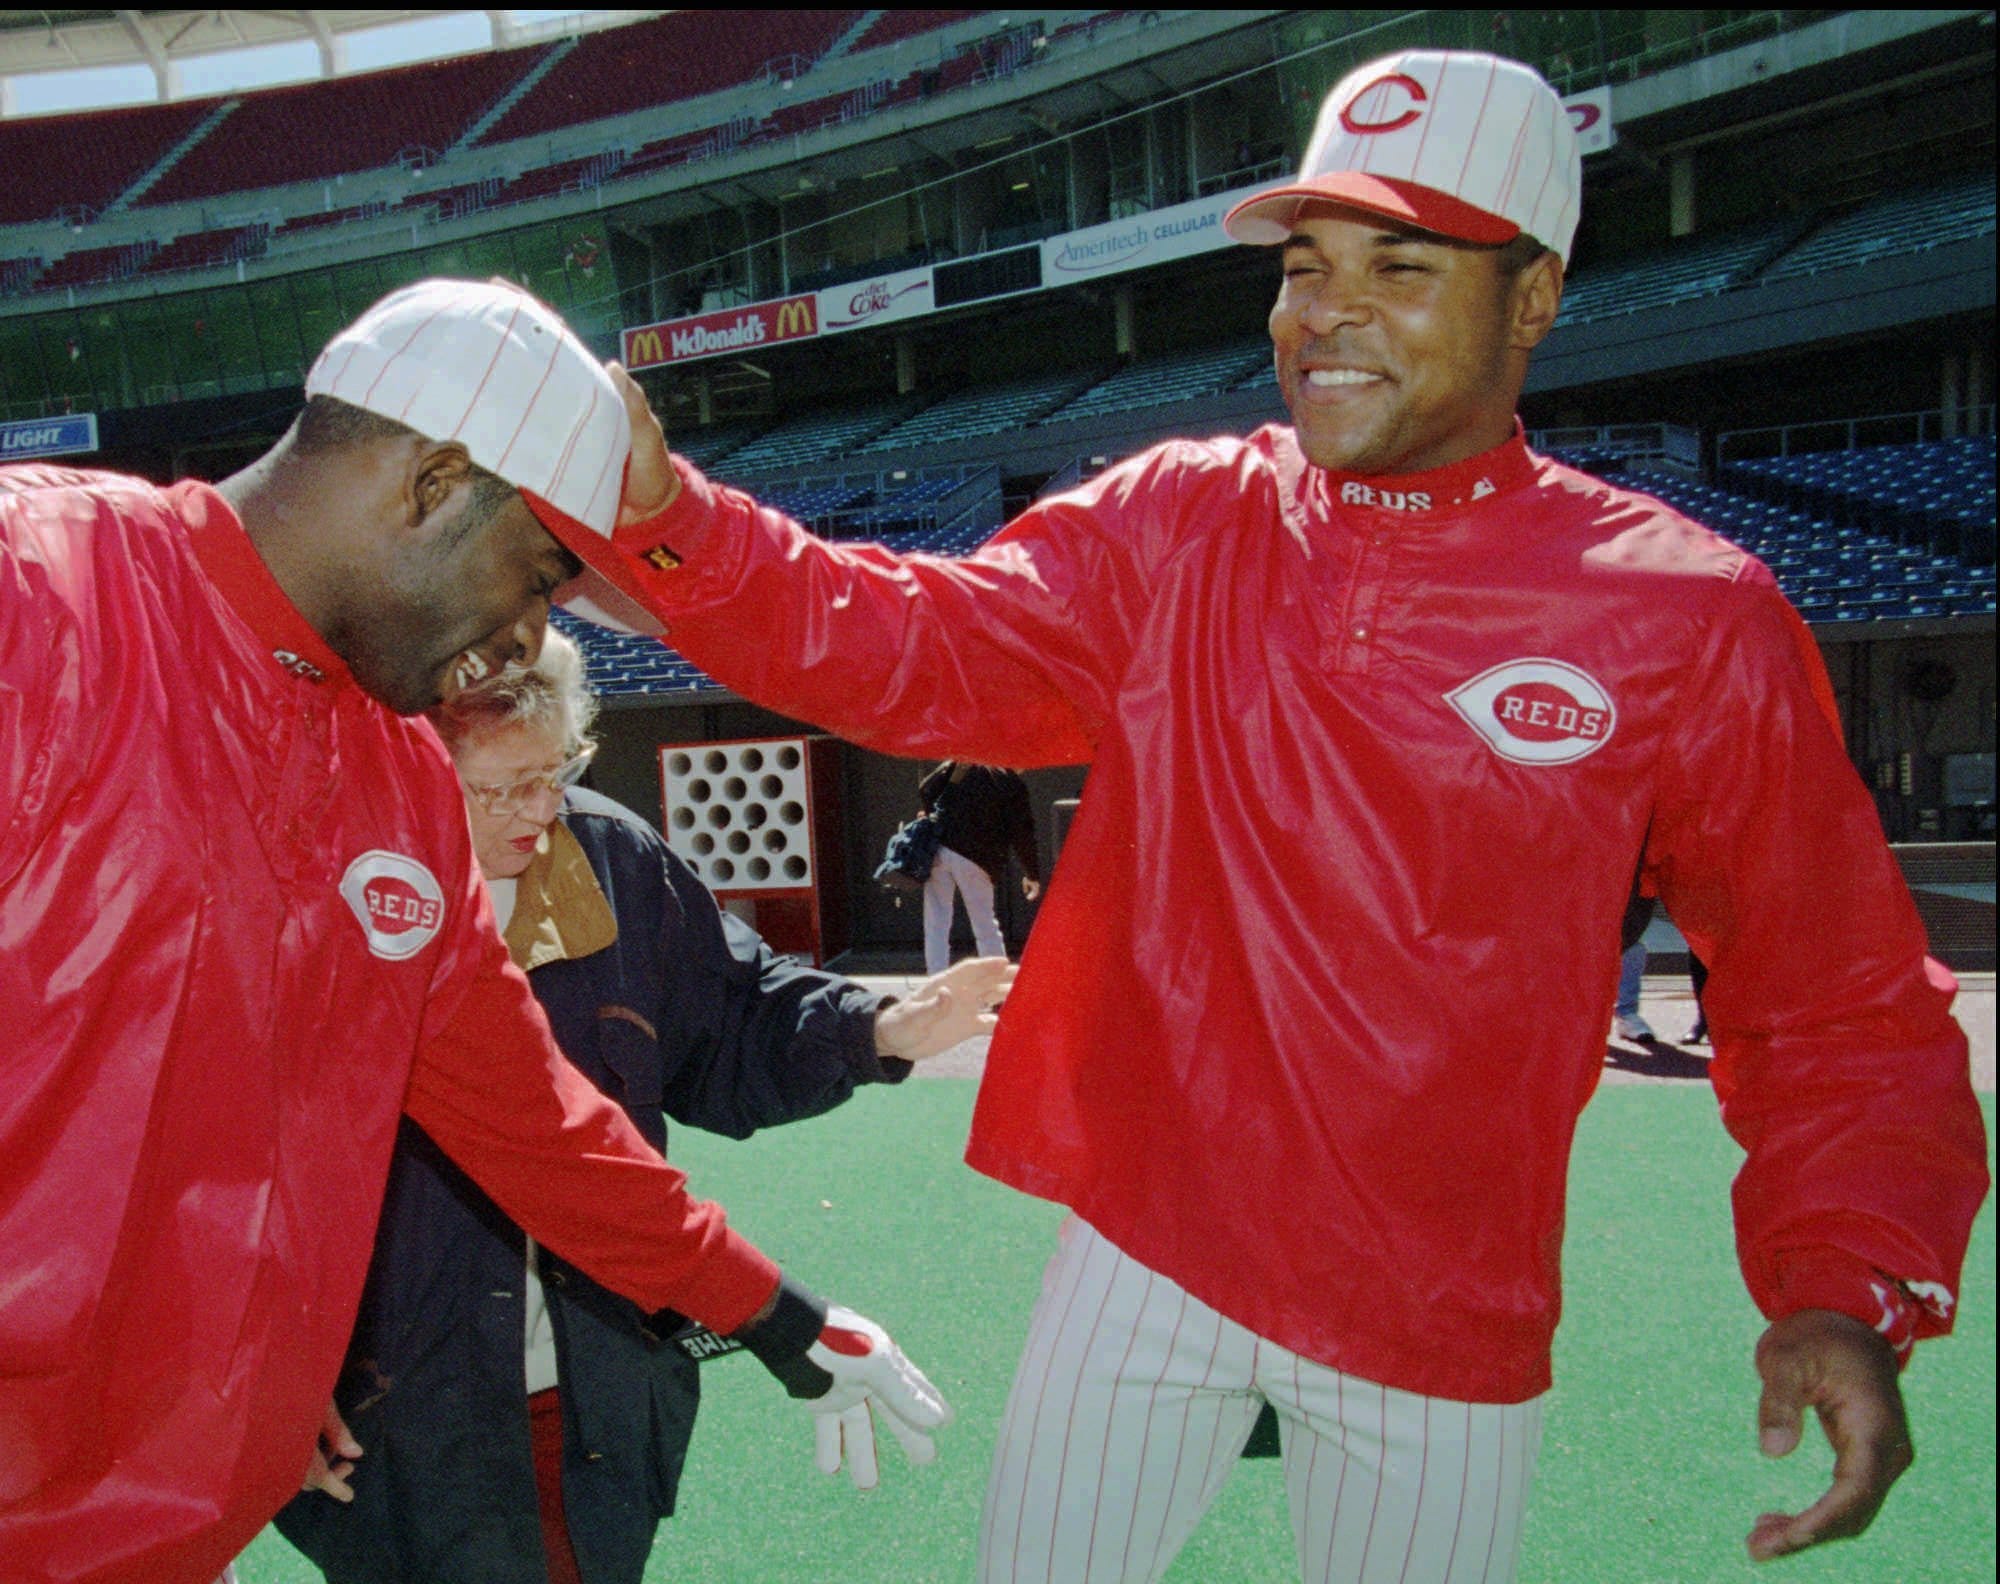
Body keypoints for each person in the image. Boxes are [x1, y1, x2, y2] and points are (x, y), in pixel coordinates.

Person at [561, 50, 1986, 1582]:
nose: (1327, 311)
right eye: (1306, 264)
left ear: (1535, 298)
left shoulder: (1689, 618)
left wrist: (1846, 1277)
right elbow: (906, 639)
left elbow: (1827, 993)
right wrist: (672, 519)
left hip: (1438, 1303)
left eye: (1402, 264)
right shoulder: (1178, 521)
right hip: (1148, 1245)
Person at [0, 278, 960, 1584]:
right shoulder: (38, 592)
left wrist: (779, 1318)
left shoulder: (397, 777)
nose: (533, 634)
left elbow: (533, 1122)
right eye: (538, 574)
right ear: (434, 481)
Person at [275, 631, 1010, 1584]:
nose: (543, 811)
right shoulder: (312, 898)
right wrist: (265, 1389)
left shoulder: (606, 851)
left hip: (598, 1398)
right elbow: (223, 1182)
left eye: (559, 770)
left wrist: (881, 1029)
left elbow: (733, 1017)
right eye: (502, 787)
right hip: (398, 1418)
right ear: (403, 768)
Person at [916, 760, 1044, 974]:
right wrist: (1032, 873)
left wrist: (937, 816)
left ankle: (935, 980)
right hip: (977, 857)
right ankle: (995, 985)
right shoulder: (1010, 782)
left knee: (936, 922)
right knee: (984, 923)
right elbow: (1022, 834)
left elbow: (926, 788)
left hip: (939, 848)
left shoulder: (963, 764)